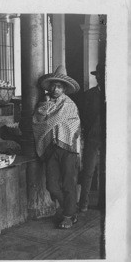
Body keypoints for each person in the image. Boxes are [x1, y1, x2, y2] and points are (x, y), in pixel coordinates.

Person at [32, 65, 81, 229]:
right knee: (51, 185)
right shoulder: (43, 105)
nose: (55, 89)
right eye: (53, 85)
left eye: (59, 86)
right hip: (51, 149)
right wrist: (46, 107)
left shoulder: (69, 105)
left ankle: (68, 215)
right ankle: (71, 209)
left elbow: (74, 126)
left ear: (64, 89)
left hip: (67, 148)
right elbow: (38, 123)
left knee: (68, 183)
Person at [78, 63, 105, 212]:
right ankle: (83, 204)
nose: (101, 78)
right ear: (97, 77)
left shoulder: (117, 95)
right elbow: (82, 116)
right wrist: (88, 132)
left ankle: (103, 203)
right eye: (99, 75)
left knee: (106, 171)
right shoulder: (88, 95)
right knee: (88, 171)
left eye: (104, 75)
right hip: (92, 138)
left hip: (109, 140)